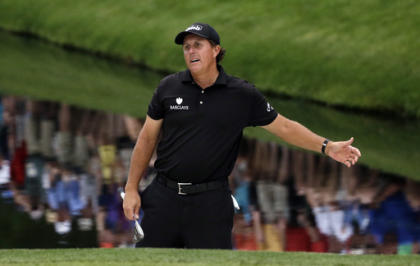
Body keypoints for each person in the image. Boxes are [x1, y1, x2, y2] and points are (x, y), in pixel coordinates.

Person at [123, 22, 361, 249]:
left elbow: (285, 127)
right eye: (186, 47)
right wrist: (132, 187)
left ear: (216, 50)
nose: (191, 51)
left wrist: (327, 147)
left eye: (198, 45)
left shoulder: (241, 94)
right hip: (164, 195)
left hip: (211, 200)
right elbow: (147, 139)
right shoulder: (168, 87)